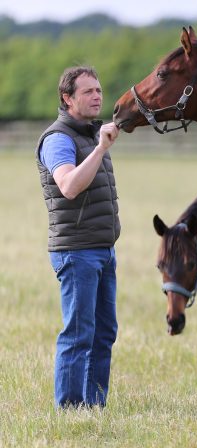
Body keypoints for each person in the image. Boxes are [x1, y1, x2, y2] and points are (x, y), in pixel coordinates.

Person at [35, 66, 121, 408]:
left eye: (99, 90)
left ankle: (94, 405)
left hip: (103, 249)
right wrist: (100, 150)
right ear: (67, 98)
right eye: (88, 91)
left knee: (104, 333)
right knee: (77, 334)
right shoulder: (59, 139)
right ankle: (70, 409)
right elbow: (68, 186)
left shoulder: (91, 133)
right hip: (76, 251)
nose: (97, 96)